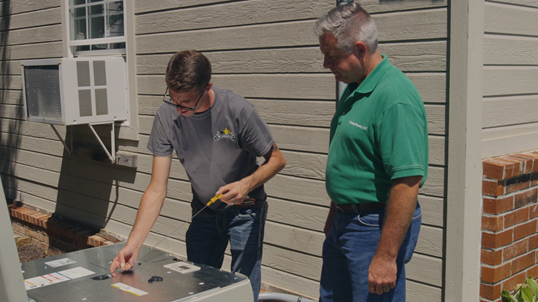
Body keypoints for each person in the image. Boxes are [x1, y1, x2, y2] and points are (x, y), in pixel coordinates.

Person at [110, 50, 286, 301]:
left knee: (243, 287)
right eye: (173, 100)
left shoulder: (237, 110)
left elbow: (278, 159)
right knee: (198, 287)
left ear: (207, 87)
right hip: (204, 211)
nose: (179, 108)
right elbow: (157, 189)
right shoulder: (166, 116)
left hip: (246, 210)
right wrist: (133, 244)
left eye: (186, 102)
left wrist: (246, 184)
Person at [314, 3, 428, 302]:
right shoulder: (355, 86)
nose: (326, 64)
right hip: (345, 220)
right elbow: (353, 159)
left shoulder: (394, 98)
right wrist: (335, 209)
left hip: (373, 228)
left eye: (332, 56)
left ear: (360, 49)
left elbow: (407, 181)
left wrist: (386, 256)